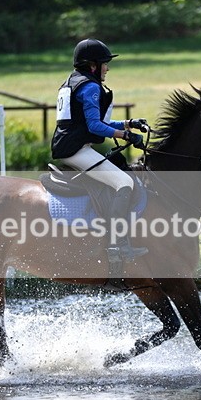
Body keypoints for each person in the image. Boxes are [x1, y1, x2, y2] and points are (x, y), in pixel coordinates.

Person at [51, 38, 149, 264]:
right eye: (105, 63)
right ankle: (118, 245)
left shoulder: (73, 82)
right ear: (93, 65)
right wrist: (127, 136)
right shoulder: (91, 86)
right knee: (124, 183)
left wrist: (128, 123)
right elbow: (95, 127)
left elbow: (89, 123)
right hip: (75, 150)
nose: (108, 68)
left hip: (68, 145)